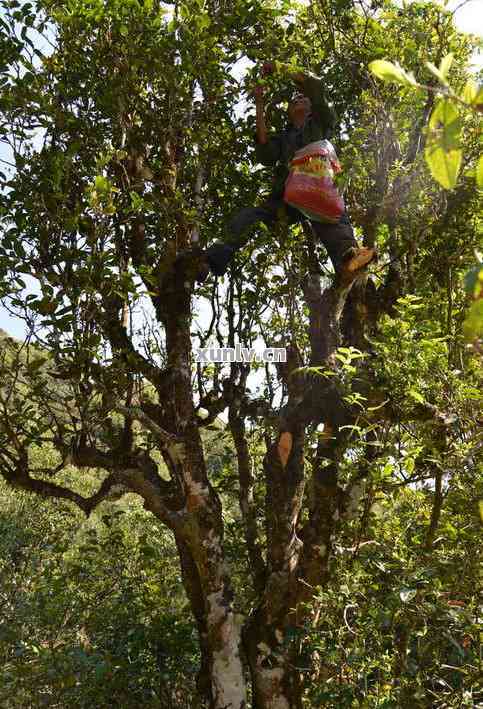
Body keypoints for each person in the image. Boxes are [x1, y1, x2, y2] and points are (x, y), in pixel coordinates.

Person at [193, 61, 375, 285]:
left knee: (334, 220)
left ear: (311, 107)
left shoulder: (320, 122)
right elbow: (265, 153)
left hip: (320, 188)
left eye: (303, 97)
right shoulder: (285, 136)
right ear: (289, 112)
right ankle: (210, 261)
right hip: (290, 196)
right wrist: (259, 102)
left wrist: (280, 68)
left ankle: (350, 262)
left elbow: (315, 86)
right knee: (250, 217)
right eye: (294, 100)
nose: (299, 99)